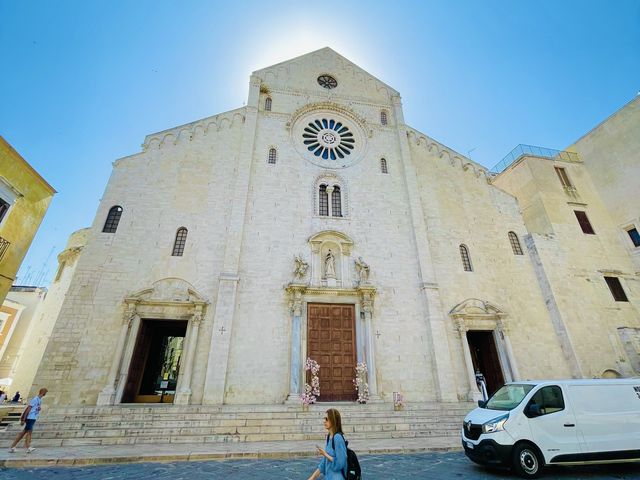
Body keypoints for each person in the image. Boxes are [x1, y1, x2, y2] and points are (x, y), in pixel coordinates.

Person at [307, 408, 347, 480]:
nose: (324, 421)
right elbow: (323, 463)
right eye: (324, 419)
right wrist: (312, 478)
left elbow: (340, 463)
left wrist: (325, 454)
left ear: (333, 420)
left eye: (327, 419)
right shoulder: (330, 437)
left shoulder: (337, 438)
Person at [9, 387, 48, 453]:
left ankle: (13, 446)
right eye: (45, 393)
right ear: (43, 393)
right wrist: (23, 419)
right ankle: (28, 447)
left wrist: (38, 409)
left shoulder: (39, 400)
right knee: (29, 432)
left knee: (23, 433)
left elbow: (35, 408)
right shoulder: (35, 399)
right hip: (30, 417)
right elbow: (28, 409)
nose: (45, 394)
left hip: (33, 418)